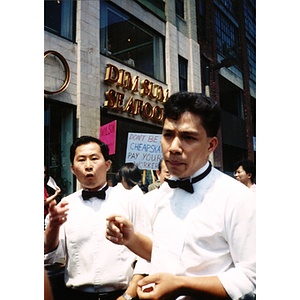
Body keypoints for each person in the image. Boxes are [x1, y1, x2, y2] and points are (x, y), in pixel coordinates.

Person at [106, 92, 256, 300]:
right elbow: (166, 253)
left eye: (188, 137)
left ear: (211, 145)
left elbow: (251, 277)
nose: (174, 147)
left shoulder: (238, 198)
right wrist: (131, 239)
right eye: (168, 135)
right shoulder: (164, 192)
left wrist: (182, 285)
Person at [44, 136, 152, 300]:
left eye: (94, 159)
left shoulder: (131, 199)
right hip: (75, 295)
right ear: (73, 169)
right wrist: (53, 226)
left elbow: (147, 254)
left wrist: (128, 295)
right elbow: (50, 257)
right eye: (81, 160)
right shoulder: (66, 204)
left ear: (107, 164)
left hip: (123, 295)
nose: (88, 166)